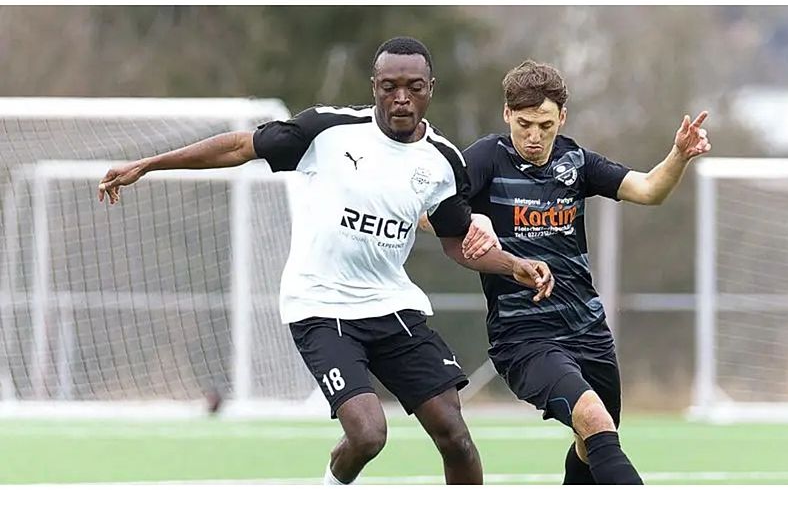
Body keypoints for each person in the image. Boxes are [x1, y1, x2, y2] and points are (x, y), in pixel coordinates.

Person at [96, 37, 554, 485]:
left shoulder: (443, 161)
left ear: (430, 88)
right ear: (373, 85)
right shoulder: (328, 130)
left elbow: (457, 240)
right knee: (368, 434)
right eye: (389, 86)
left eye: (413, 87)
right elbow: (240, 147)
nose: (401, 98)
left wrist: (511, 264)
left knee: (456, 438)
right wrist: (149, 164)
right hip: (320, 307)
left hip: (392, 307)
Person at [457, 59, 711, 484]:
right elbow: (434, 211)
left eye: (545, 124)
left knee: (593, 440)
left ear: (562, 117)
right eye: (524, 124)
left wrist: (679, 155)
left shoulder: (576, 161)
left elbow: (648, 190)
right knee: (593, 418)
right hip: (525, 338)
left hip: (588, 331)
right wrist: (472, 222)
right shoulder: (486, 159)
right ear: (507, 115)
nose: (534, 137)